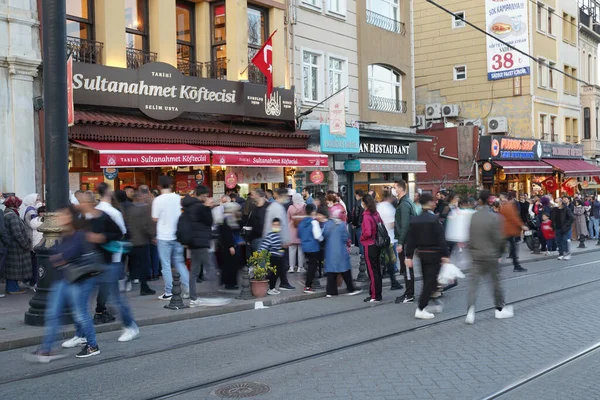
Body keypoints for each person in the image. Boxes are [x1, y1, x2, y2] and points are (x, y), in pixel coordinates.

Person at [25, 206, 100, 362]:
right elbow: (56, 257)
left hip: (80, 279)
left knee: (81, 314)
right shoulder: (65, 235)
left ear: (71, 218)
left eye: (63, 215)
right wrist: (61, 257)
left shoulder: (79, 235)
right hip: (65, 279)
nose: (59, 218)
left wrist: (61, 257)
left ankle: (92, 345)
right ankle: (47, 349)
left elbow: (66, 255)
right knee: (53, 314)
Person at [465, 190, 514, 325]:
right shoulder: (495, 218)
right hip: (491, 255)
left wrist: (472, 252)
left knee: (473, 285)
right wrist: (500, 253)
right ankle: (499, 309)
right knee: (495, 284)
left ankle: (470, 312)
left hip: (476, 255)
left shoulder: (473, 216)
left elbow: (470, 237)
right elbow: (499, 238)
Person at [405, 194, 450, 320]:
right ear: (429, 203)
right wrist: (445, 255)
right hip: (434, 253)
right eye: (433, 201)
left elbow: (411, 239)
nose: (435, 203)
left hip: (421, 253)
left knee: (427, 280)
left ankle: (427, 304)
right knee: (430, 281)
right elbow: (441, 239)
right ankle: (421, 308)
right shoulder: (434, 220)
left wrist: (408, 256)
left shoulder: (415, 220)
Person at [93, 183, 128, 324]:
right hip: (112, 252)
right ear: (108, 193)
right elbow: (122, 232)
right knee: (109, 284)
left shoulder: (95, 210)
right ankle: (102, 310)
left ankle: (103, 309)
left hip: (97, 253)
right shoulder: (114, 212)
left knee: (104, 283)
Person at [152, 176, 190, 300]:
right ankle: (188, 289)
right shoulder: (177, 198)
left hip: (163, 236)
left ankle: (169, 291)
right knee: (180, 263)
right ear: (171, 185)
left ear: (159, 186)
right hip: (177, 235)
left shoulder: (158, 200)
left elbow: (155, 218)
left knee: (166, 265)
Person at [183, 185, 220, 306]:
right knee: (210, 267)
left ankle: (193, 297)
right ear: (203, 195)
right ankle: (214, 294)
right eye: (206, 195)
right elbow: (209, 221)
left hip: (193, 242)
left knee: (194, 271)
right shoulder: (200, 207)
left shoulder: (189, 206)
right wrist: (208, 208)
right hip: (201, 242)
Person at [321, 207, 362, 297]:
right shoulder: (341, 225)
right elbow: (345, 238)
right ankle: (351, 289)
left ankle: (331, 292)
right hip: (340, 251)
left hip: (330, 251)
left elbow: (324, 235)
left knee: (331, 272)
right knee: (345, 270)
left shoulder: (327, 224)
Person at [263, 188, 295, 291]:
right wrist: (283, 240)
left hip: (274, 240)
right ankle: (274, 285)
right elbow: (278, 225)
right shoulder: (277, 208)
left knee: (280, 263)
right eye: (286, 196)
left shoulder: (275, 206)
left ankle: (283, 282)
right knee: (277, 264)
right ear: (282, 196)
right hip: (276, 242)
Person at [126, 192, 157, 296]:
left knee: (134, 264)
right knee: (144, 264)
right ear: (140, 197)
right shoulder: (144, 209)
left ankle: (132, 281)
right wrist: (152, 236)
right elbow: (146, 225)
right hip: (141, 240)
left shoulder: (130, 209)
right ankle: (144, 287)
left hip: (132, 240)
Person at [2, 196, 32, 294]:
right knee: (14, 268)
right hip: (16, 247)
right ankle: (12, 288)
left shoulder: (7, 213)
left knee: (11, 268)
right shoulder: (12, 216)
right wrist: (25, 244)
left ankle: (11, 287)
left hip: (12, 245)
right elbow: (17, 232)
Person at [394, 180, 417, 304]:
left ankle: (409, 295)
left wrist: (400, 243)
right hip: (408, 239)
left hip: (407, 240)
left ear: (401, 189)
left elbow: (405, 225)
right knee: (406, 267)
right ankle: (408, 292)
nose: (393, 189)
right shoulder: (405, 202)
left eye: (395, 187)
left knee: (407, 267)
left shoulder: (404, 204)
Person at [360, 194, 384, 303]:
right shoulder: (376, 214)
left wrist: (362, 237)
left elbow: (367, 232)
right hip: (377, 244)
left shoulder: (366, 216)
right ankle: (378, 293)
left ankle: (374, 295)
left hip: (369, 244)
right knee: (377, 270)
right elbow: (381, 225)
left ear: (365, 204)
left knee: (372, 271)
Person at [377, 191, 402, 290]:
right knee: (390, 262)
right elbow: (392, 224)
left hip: (379, 238)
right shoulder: (390, 208)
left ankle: (379, 280)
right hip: (389, 239)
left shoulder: (378, 206)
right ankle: (393, 282)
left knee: (382, 260)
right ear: (389, 197)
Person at [499, 193, 528, 273]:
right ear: (512, 199)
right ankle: (516, 266)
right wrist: (522, 225)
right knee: (513, 249)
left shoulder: (503, 206)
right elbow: (514, 217)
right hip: (510, 230)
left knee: (506, 249)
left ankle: (515, 265)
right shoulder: (509, 206)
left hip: (505, 230)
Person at [298, 204, 323, 293]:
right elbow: (318, 236)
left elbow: (299, 235)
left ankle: (307, 280)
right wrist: (322, 239)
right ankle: (308, 286)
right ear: (313, 212)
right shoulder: (314, 222)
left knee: (309, 265)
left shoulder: (301, 223)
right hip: (313, 247)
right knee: (312, 267)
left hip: (304, 247)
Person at [20, 193, 43, 288]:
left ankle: (30, 280)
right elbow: (34, 224)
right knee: (35, 262)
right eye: (37, 199)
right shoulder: (30, 210)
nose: (39, 201)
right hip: (33, 238)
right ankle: (33, 280)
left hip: (33, 238)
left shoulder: (29, 209)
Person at [218, 202, 242, 289]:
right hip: (230, 246)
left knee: (230, 264)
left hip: (230, 245)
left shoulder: (229, 218)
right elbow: (227, 234)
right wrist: (231, 246)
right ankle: (230, 283)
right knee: (231, 264)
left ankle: (229, 282)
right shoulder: (228, 219)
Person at [259, 218, 285, 295]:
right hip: (273, 257)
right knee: (273, 273)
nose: (276, 226)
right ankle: (271, 288)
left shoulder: (278, 235)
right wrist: (259, 254)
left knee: (276, 273)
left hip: (278, 257)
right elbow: (265, 245)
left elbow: (280, 247)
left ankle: (271, 287)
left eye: (277, 225)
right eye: (274, 225)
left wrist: (281, 253)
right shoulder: (270, 235)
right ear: (271, 225)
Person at [287, 193, 306, 273]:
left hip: (292, 230)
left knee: (292, 250)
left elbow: (287, 219)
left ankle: (291, 267)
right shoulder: (305, 206)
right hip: (302, 230)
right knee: (301, 251)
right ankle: (300, 267)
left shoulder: (290, 207)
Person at [351, 189, 365, 258]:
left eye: (356, 194)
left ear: (358, 195)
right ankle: (362, 253)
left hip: (359, 224)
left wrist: (354, 224)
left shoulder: (358, 203)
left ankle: (362, 255)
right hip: (362, 224)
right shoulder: (363, 202)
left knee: (360, 241)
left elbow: (356, 215)